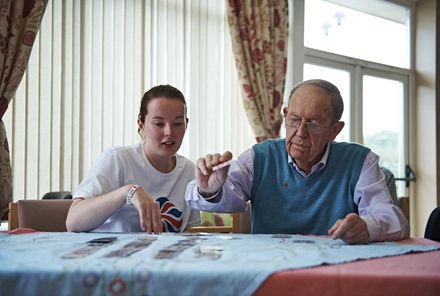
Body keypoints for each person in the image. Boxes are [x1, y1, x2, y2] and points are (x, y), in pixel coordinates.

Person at [185, 79, 409, 245]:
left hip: (335, 270)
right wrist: (208, 190)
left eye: (312, 123)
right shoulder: (260, 157)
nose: (300, 132)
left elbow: (394, 220)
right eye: (294, 120)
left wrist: (366, 228)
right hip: (271, 267)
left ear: (334, 130)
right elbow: (228, 200)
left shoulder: (360, 161)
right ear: (285, 115)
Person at [66, 84, 200, 234]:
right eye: (159, 124)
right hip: (113, 254)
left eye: (177, 124)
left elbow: (187, 232)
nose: (169, 132)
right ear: (141, 125)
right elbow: (73, 222)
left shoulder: (188, 169)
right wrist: (128, 192)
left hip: (163, 256)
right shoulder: (118, 160)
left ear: (186, 124)